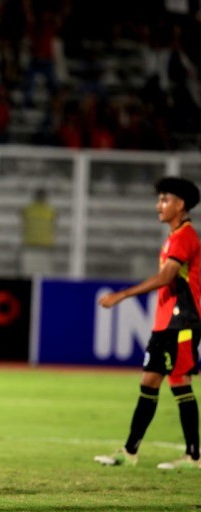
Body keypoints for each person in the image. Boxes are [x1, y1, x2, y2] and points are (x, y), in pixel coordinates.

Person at [94, 176, 201, 470]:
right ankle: (130, 451)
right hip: (165, 322)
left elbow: (168, 277)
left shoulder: (185, 237)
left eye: (164, 200)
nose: (159, 205)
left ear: (180, 205)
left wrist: (124, 294)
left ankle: (194, 456)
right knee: (149, 382)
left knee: (180, 383)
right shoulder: (173, 236)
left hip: (182, 323)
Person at [19, 188, 57, 275]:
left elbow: (53, 228)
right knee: (28, 273)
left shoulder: (50, 211)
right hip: (30, 246)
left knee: (45, 273)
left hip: (45, 247)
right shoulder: (28, 210)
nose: (42, 198)